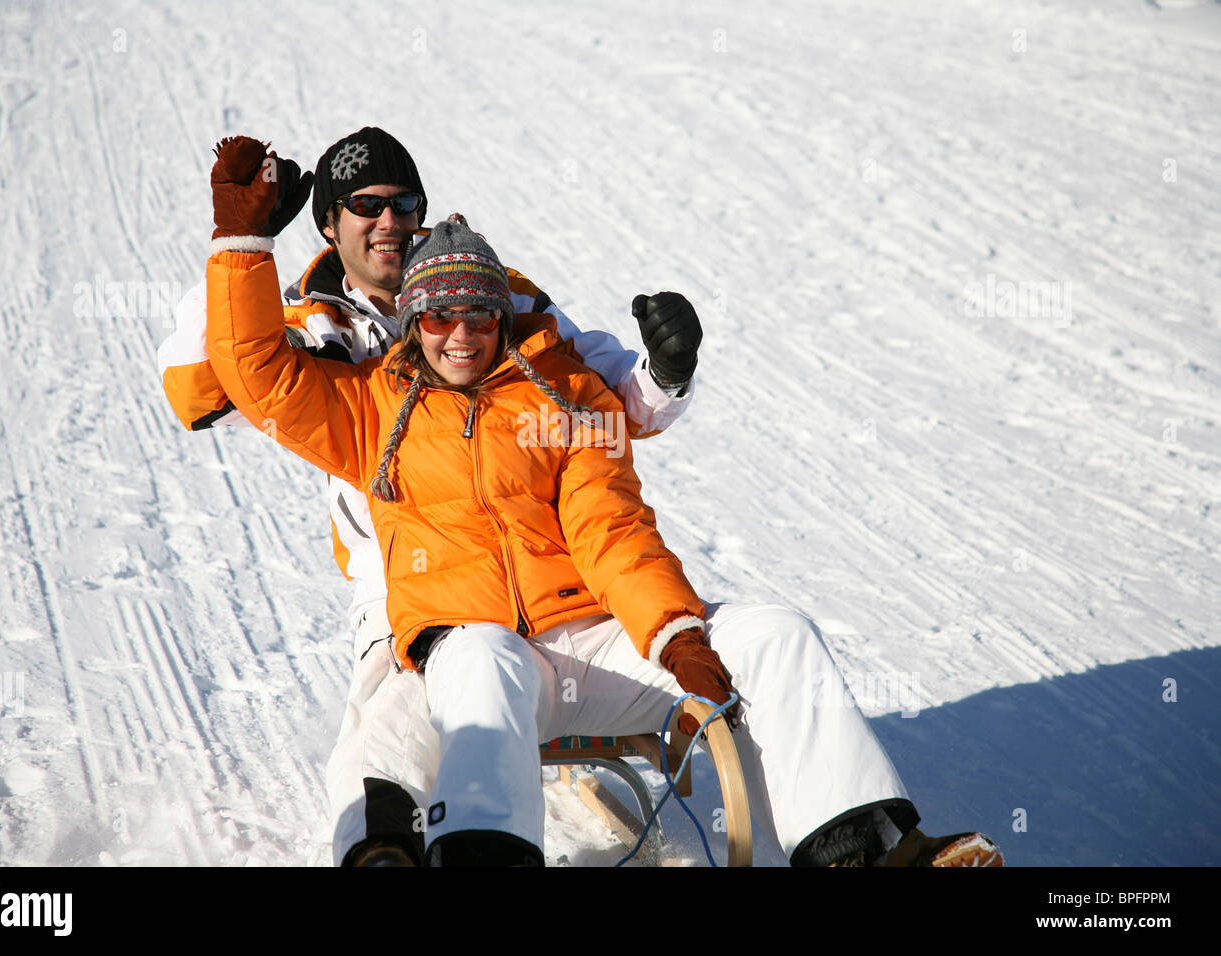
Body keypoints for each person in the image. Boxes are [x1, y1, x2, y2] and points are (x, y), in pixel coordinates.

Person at [199, 136, 1003, 867]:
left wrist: (678, 634)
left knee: (775, 635)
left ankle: (871, 850)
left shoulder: (564, 394)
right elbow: (252, 370)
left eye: (480, 312)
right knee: (417, 716)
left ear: (502, 315)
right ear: (411, 315)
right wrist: (242, 241)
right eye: (440, 314)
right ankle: (450, 852)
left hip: (589, 636)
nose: (462, 333)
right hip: (451, 633)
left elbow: (611, 526)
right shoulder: (369, 402)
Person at [157, 128, 700, 865]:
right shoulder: (305, 315)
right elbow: (197, 388)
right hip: (396, 574)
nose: (389, 222)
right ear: (327, 221)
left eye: (403, 203)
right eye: (365, 206)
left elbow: (593, 396)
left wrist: (663, 375)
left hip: (528, 555)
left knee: (482, 678)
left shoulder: (488, 289)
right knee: (385, 733)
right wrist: (246, 240)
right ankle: (386, 845)